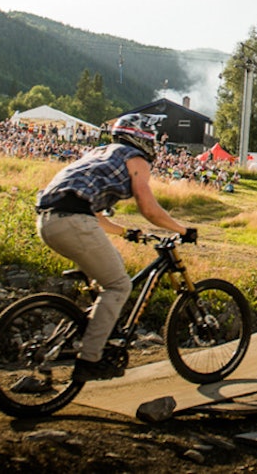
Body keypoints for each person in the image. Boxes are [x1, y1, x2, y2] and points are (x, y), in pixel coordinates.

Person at [34, 112, 197, 383]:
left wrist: (126, 232)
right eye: (153, 137)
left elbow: (91, 212)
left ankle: (83, 335)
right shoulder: (136, 159)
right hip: (73, 221)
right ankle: (90, 359)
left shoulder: (101, 153)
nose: (154, 142)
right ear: (141, 136)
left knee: (104, 285)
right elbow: (149, 208)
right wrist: (183, 230)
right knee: (119, 285)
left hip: (49, 221)